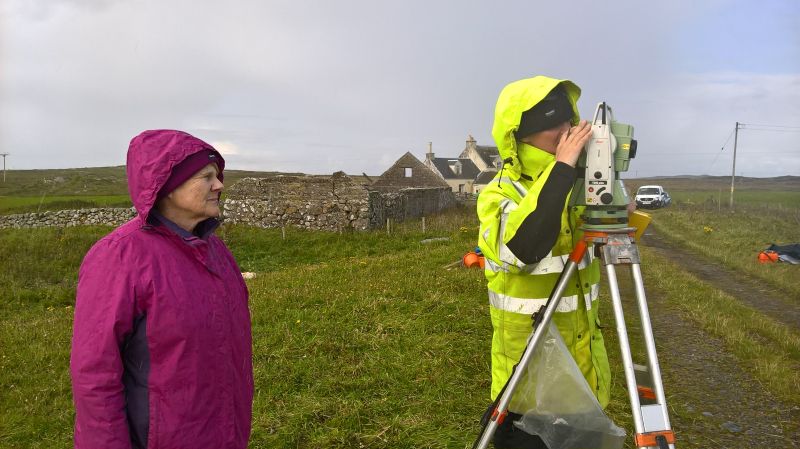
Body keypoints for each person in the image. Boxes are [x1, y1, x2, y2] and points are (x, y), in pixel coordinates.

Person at [70, 130, 254, 449]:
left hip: (223, 431)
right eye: (207, 176)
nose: (219, 185)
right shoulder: (119, 256)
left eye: (219, 176)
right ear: (167, 186)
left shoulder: (216, 252)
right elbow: (95, 375)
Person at [477, 76, 611, 448]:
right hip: (526, 380)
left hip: (584, 373)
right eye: (553, 123)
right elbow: (523, 249)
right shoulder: (499, 193)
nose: (566, 130)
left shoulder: (578, 184)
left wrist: (617, 210)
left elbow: (606, 250)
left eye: (569, 121)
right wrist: (563, 168)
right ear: (521, 134)